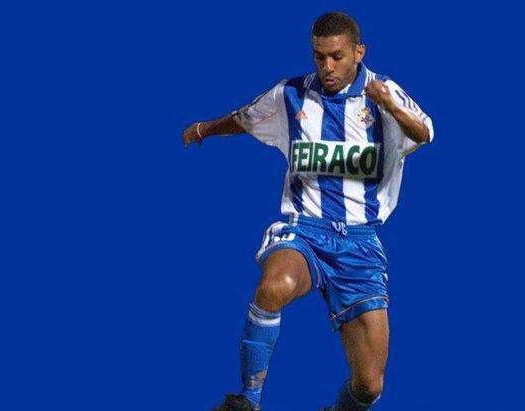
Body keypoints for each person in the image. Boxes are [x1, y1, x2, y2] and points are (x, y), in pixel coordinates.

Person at [182, 11, 434, 411]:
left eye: (336, 56)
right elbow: (246, 119)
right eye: (319, 56)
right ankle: (247, 400)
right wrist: (203, 129)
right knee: (275, 285)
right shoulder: (292, 94)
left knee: (369, 385)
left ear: (358, 52)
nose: (327, 66)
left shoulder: (382, 92)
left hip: (360, 242)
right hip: (305, 230)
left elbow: (424, 132)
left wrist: (390, 105)